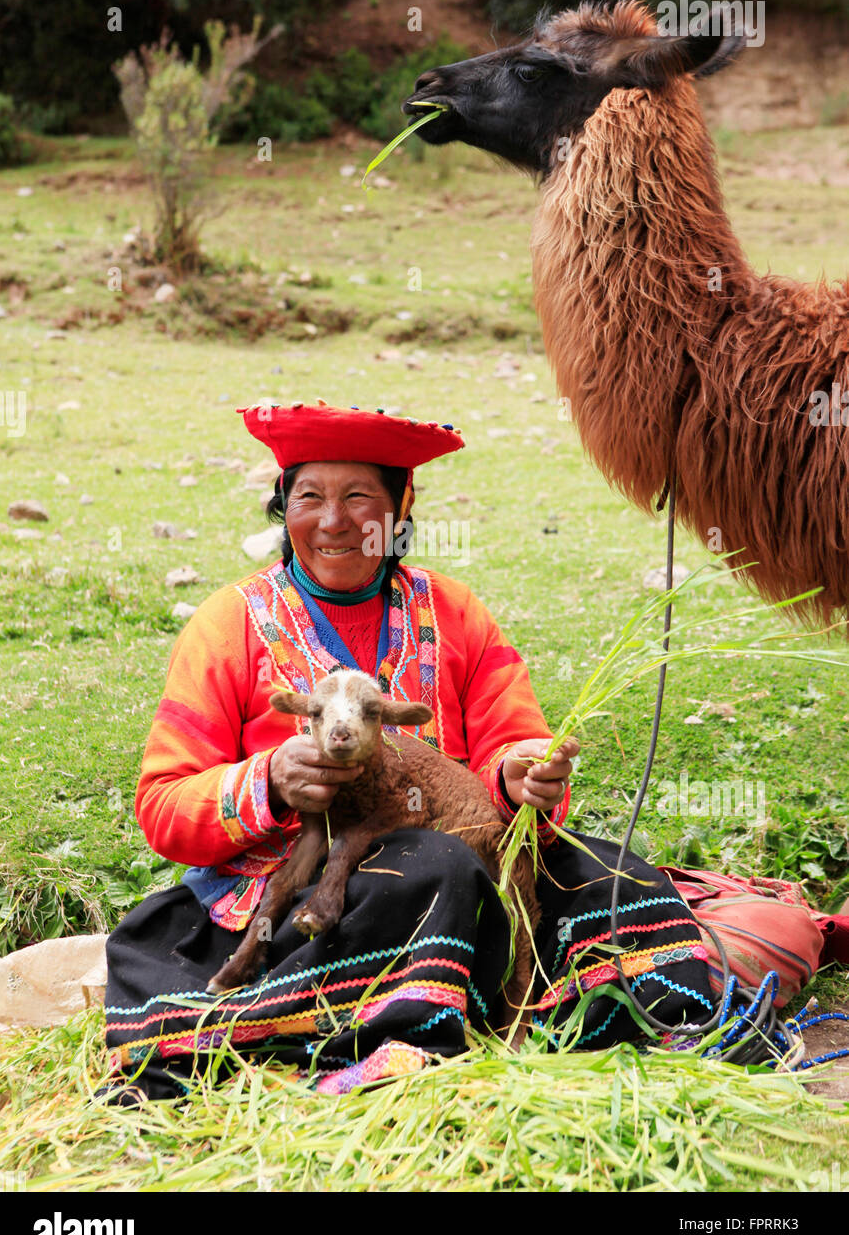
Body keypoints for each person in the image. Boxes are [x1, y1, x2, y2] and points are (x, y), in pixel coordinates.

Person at [102, 400, 845, 1102]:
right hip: (302, 883)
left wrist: (520, 775)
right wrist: (265, 781)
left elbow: (513, 742)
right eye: (308, 498)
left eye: (360, 497)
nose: (333, 521)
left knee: (615, 877)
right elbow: (163, 804)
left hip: (471, 849)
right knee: (432, 871)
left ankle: (677, 1022)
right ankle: (393, 1039)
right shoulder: (228, 624)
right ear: (282, 507)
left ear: (401, 509)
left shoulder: (453, 612)